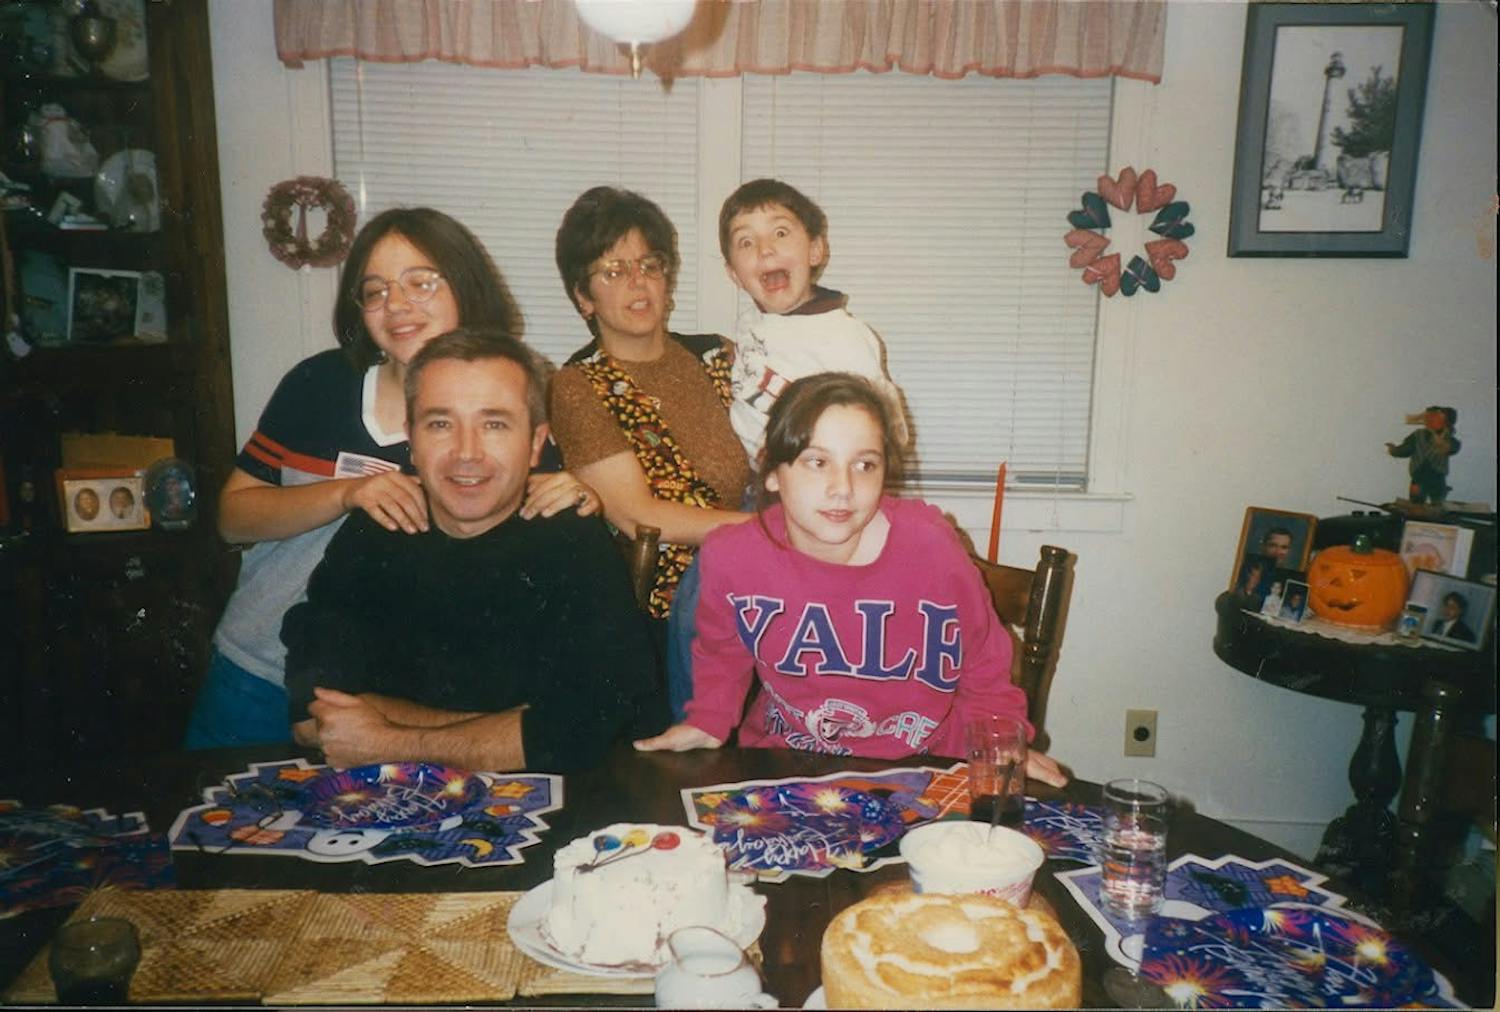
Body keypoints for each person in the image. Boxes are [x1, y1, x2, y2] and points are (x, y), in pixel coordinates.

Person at [183, 208, 599, 749]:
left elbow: (533, 545)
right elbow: (233, 518)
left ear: (466, 287)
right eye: (375, 290)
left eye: (420, 282)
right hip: (256, 670)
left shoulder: (503, 403)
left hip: (389, 698)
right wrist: (347, 494)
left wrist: (578, 494)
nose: (396, 304)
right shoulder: (319, 384)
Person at [635, 372, 1067, 787]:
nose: (842, 487)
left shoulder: (932, 547)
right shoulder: (731, 557)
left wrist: (1000, 739)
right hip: (788, 764)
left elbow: (984, 662)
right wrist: (708, 720)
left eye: (864, 465)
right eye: (817, 462)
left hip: (928, 766)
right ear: (772, 472)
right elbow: (722, 652)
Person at [284, 329, 666, 771]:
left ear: (535, 444)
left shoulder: (571, 538)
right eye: (440, 424)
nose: (467, 452)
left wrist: (390, 739)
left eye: (494, 424)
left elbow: (590, 727)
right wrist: (512, 731)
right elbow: (316, 718)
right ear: (411, 439)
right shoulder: (375, 530)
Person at [548, 187, 753, 711]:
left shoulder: (718, 357)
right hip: (660, 622)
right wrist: (768, 532)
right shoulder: (577, 386)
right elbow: (637, 514)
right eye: (613, 271)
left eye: (649, 265)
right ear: (583, 297)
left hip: (751, 592)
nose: (637, 282)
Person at [718, 178, 908, 464]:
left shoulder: (845, 337)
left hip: (812, 476)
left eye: (780, 233)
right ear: (734, 274)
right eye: (746, 241)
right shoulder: (750, 321)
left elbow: (890, 429)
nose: (765, 249)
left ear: (816, 250)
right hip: (754, 475)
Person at [1387, 406, 1460, 505]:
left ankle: (1437, 507)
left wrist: (1444, 444)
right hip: (1418, 477)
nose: (1430, 420)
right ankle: (1417, 509)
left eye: (1435, 417)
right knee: (1417, 501)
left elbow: (1452, 447)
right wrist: (1394, 450)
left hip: (1437, 478)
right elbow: (1406, 449)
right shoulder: (1418, 435)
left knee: (1438, 500)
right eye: (1429, 417)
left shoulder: (1447, 439)